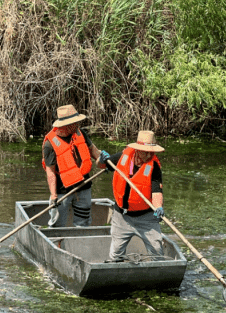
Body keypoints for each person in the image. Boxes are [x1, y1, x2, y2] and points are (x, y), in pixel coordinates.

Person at [43, 104, 109, 227]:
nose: (78, 125)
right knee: (57, 225)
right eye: (75, 122)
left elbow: (95, 153)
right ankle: (57, 243)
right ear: (65, 125)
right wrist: (53, 196)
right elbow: (50, 171)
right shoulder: (50, 144)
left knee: (83, 223)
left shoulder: (81, 133)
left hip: (84, 187)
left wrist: (103, 160)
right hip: (62, 191)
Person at [106, 130, 166, 262]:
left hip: (146, 217)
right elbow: (103, 164)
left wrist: (158, 207)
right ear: (138, 150)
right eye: (146, 151)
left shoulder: (154, 166)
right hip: (122, 216)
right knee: (116, 254)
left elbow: (156, 191)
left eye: (152, 151)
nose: (149, 154)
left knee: (157, 252)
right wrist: (102, 160)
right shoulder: (123, 156)